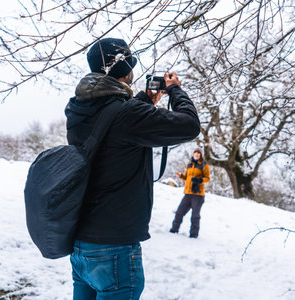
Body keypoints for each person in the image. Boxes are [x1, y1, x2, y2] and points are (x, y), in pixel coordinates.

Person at [65, 37, 200, 300]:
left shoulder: (78, 107)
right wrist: (175, 91)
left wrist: (143, 101)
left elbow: (111, 129)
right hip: (113, 247)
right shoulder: (128, 115)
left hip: (81, 243)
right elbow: (189, 125)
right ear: (126, 70)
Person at [170, 147, 210, 238]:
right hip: (188, 193)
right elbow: (186, 177)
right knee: (179, 212)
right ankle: (174, 229)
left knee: (195, 216)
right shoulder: (189, 164)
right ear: (193, 154)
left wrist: (199, 180)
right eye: (195, 152)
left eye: (198, 153)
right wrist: (181, 176)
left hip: (198, 195)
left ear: (201, 155)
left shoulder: (204, 165)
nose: (196, 154)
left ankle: (194, 234)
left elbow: (207, 178)